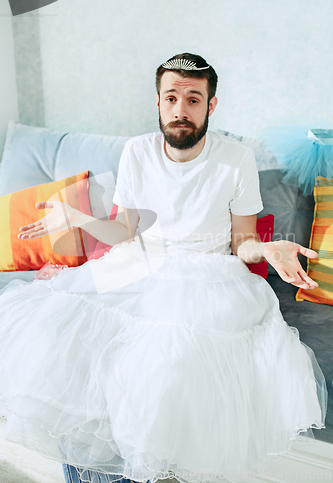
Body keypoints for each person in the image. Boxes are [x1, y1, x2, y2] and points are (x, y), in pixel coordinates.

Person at [0, 53, 327, 483]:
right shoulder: (138, 151)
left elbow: (242, 243)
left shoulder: (235, 158)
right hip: (137, 262)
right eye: (171, 97)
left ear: (211, 105)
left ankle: (139, 470)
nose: (180, 109)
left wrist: (266, 250)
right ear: (157, 102)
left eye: (193, 98)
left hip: (207, 273)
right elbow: (123, 230)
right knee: (57, 338)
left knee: (163, 367)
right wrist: (77, 220)